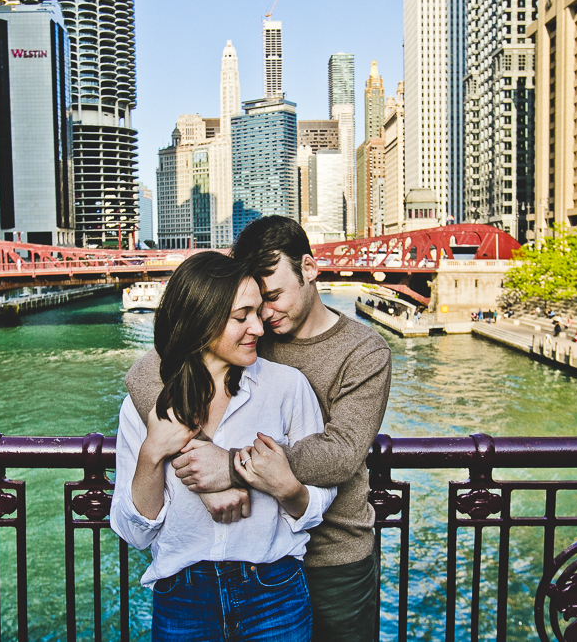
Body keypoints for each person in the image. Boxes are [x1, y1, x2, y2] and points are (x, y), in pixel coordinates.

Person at [126, 216, 392, 642]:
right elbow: (144, 375)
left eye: (273, 297)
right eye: (254, 304)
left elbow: (342, 452)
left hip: (333, 554)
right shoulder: (251, 335)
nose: (265, 315)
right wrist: (198, 459)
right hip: (255, 559)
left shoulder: (364, 350)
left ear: (309, 268)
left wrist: (229, 467)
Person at [110, 252, 335, 641]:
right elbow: (135, 533)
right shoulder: (144, 406)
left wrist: (285, 487)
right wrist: (151, 453)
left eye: (258, 313)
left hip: (273, 593)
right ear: (201, 320)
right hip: (182, 597)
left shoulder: (287, 388)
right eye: (241, 317)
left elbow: (318, 501)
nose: (258, 329)